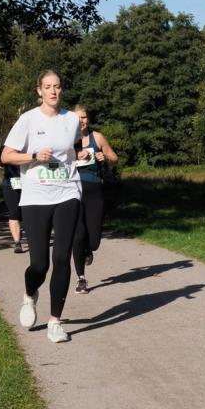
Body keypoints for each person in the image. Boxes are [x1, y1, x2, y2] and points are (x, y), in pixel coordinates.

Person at [1, 70, 91, 344]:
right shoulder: (28, 119)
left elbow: (72, 149)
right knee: (39, 264)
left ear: (61, 90)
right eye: (48, 87)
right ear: (39, 90)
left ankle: (55, 322)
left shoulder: (72, 119)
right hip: (35, 196)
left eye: (58, 87)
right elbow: (6, 155)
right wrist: (33, 156)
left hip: (67, 192)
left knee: (61, 258)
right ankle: (30, 295)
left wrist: (81, 154)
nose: (53, 91)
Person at [71, 105, 119, 293]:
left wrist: (104, 156)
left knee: (94, 241)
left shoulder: (96, 137)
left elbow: (114, 158)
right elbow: (53, 163)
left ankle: (88, 250)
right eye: (77, 118)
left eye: (83, 117)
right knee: (78, 235)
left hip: (94, 191)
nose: (81, 121)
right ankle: (81, 278)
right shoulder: (66, 140)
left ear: (88, 119)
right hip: (72, 191)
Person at [0, 141, 25, 253]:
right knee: (14, 213)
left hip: (29, 184)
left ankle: (21, 231)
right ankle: (17, 243)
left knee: (24, 213)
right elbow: (0, 164)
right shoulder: (5, 149)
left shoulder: (29, 147)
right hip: (10, 184)